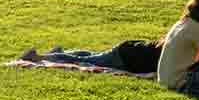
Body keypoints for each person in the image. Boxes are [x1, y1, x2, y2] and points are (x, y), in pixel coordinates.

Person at [19, 39, 162, 72]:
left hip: (130, 51)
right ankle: (39, 57)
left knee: (92, 56)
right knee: (85, 60)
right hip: (127, 56)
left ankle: (60, 53)